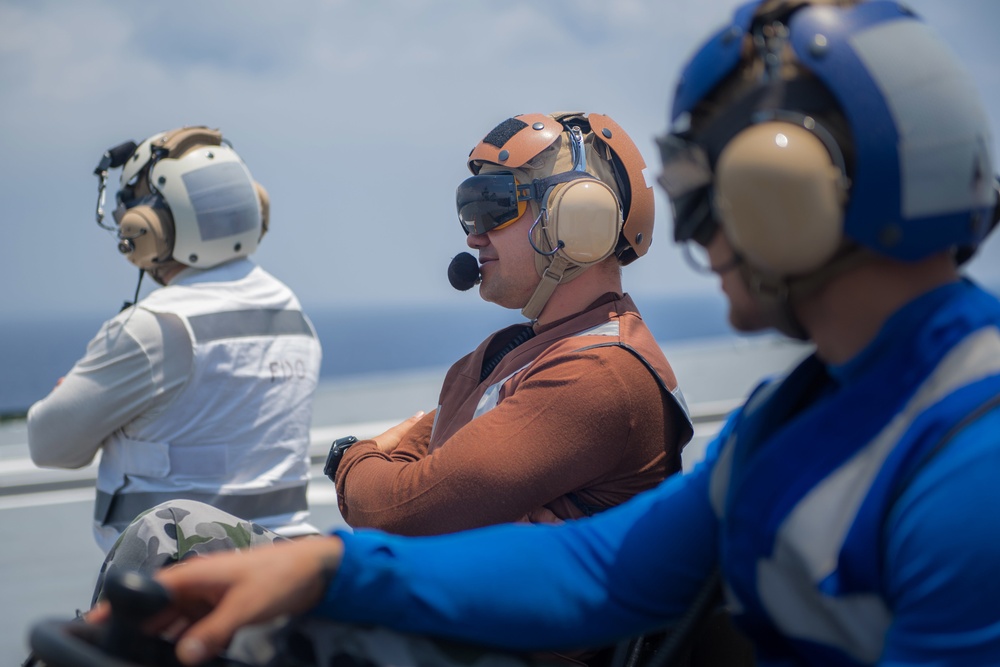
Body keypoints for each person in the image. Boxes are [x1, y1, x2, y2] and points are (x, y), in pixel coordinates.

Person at [84, 1, 1000, 664]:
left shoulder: (972, 468)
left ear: (785, 194)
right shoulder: (787, 420)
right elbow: (601, 565)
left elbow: (441, 512)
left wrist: (360, 511)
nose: (695, 235)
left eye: (713, 195)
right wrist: (330, 570)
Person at [88, 113, 705, 663]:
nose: (472, 235)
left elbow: (398, 515)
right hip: (453, 618)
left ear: (579, 219)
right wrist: (432, 490)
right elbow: (424, 500)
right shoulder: (502, 355)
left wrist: (353, 456)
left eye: (494, 209)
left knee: (171, 535)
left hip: (500, 644)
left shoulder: (598, 373)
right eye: (470, 213)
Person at [26, 126, 323, 552]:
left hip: (174, 587)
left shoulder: (153, 327)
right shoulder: (293, 314)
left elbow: (48, 445)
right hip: (285, 569)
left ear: (151, 228)